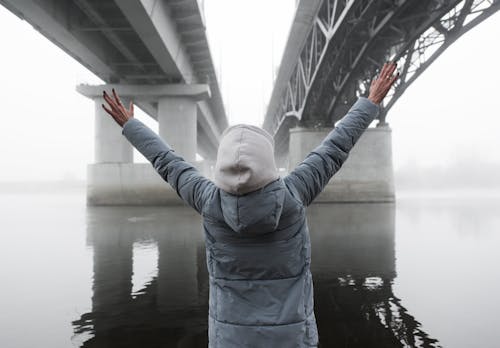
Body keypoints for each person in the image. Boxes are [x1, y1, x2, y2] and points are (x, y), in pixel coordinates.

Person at [102, 62, 399, 347]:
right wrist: (370, 101)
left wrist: (130, 125)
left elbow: (168, 163)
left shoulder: (209, 201)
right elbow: (335, 147)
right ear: (268, 162)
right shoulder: (293, 195)